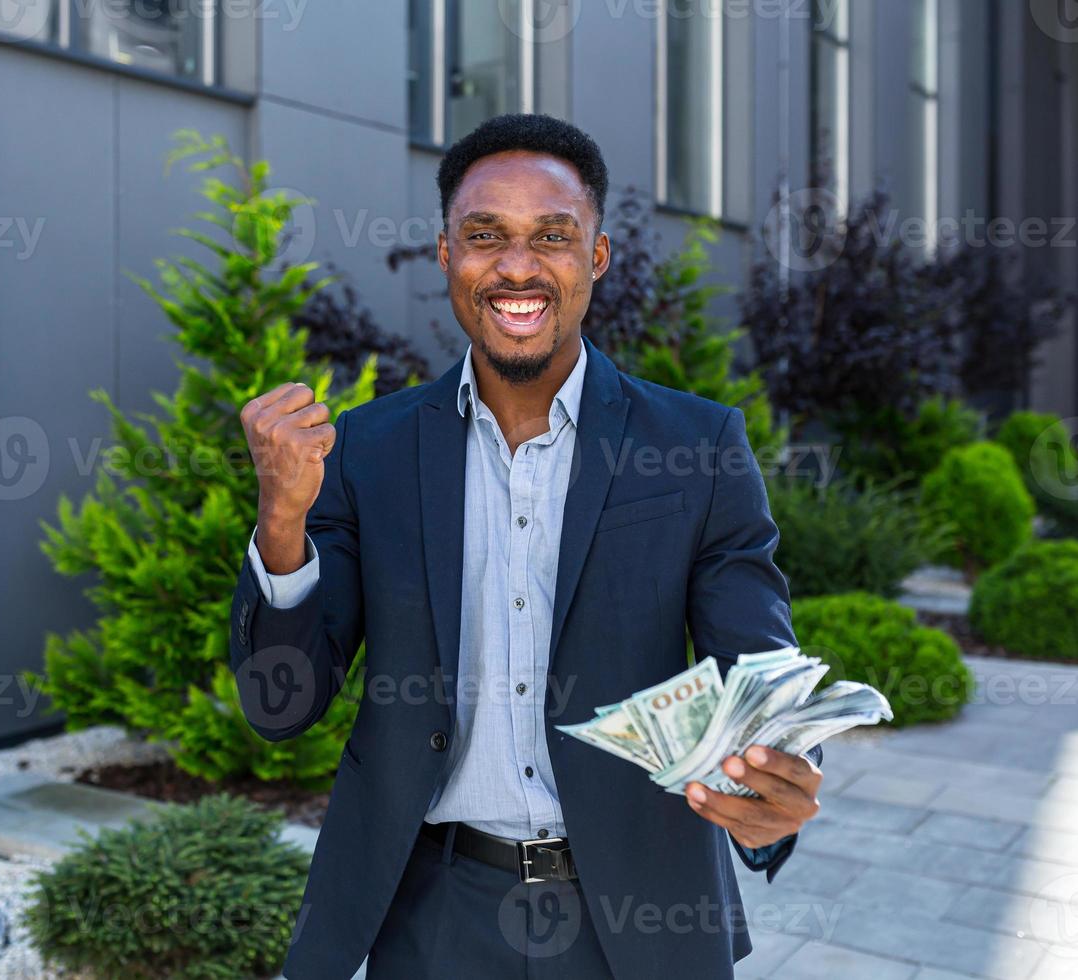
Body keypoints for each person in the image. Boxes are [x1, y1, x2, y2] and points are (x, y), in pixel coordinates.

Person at [231, 113, 823, 980]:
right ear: (446, 257)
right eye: (485, 236)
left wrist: (780, 769)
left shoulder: (698, 448)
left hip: (639, 914)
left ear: (598, 256)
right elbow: (282, 707)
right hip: (431, 914)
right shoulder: (368, 450)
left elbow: (756, 660)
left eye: (553, 235)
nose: (517, 266)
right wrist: (281, 523)